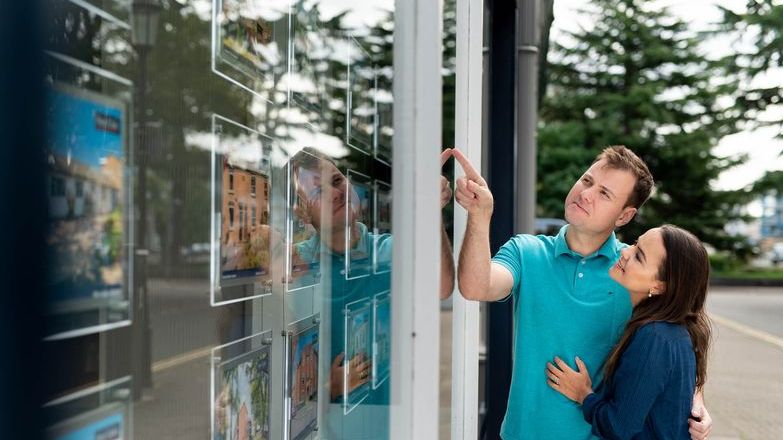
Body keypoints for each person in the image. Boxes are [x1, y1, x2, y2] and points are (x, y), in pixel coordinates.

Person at [449, 145, 712, 440]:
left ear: (624, 216)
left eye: (605, 194)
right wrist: (480, 215)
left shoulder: (634, 272)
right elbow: (474, 286)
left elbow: (681, 333)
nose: (586, 194)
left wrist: (695, 398)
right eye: (587, 181)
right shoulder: (526, 251)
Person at [287, 147, 455, 439]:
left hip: (392, 427)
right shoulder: (295, 267)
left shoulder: (389, 251)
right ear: (301, 211)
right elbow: (277, 367)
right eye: (318, 191)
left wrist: (431, 214)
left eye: (337, 181)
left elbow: (442, 287)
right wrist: (328, 388)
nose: (336, 193)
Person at [546, 225, 711, 439]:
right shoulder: (674, 331)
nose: (625, 252)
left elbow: (619, 427)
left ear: (660, 286)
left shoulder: (654, 337)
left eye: (639, 257)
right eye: (635, 244)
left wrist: (584, 394)